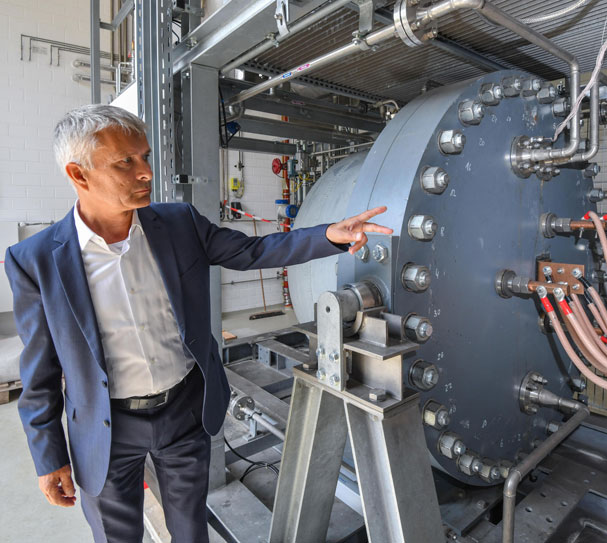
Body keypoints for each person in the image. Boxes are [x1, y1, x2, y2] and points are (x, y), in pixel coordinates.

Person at [5, 104, 392, 542]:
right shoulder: (35, 260)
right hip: (105, 427)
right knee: (117, 535)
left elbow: (254, 252)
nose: (146, 172)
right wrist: (48, 454)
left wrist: (327, 235)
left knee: (191, 529)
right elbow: (39, 371)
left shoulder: (177, 223)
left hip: (183, 411)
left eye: (145, 156)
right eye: (125, 162)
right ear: (79, 175)